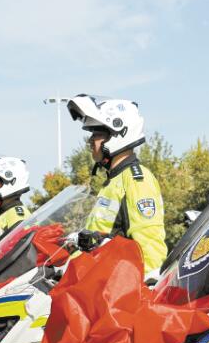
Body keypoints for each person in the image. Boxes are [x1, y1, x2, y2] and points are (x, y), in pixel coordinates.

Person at [67, 94, 167, 275]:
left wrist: (148, 283)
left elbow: (149, 244)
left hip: (118, 286)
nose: (90, 141)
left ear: (117, 134)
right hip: (96, 280)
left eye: (96, 134)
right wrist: (68, 263)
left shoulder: (137, 180)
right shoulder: (113, 180)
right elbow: (99, 237)